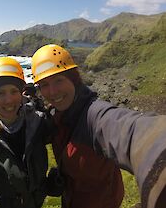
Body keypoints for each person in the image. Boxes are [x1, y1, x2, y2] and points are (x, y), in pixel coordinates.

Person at [31, 44, 166, 208]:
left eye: (59, 80)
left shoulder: (95, 115)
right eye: (44, 84)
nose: (52, 92)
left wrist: (157, 154)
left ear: (74, 79)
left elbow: (130, 131)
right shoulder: (57, 115)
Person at [0, 57, 53, 208]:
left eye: (14, 91)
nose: (8, 100)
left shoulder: (39, 121)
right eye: (0, 93)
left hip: (37, 201)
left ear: (21, 94)